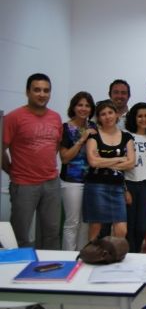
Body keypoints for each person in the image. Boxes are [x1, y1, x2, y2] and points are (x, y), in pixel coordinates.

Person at [3, 73, 63, 248]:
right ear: (27, 92)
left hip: (51, 183)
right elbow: (1, 148)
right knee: (20, 235)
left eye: (46, 90)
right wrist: (10, 170)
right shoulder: (14, 117)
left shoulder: (55, 117)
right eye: (37, 90)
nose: (42, 94)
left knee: (52, 233)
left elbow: (55, 145)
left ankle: (49, 265)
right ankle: (19, 265)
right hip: (24, 184)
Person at [83, 100, 135, 241]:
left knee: (121, 230)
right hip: (96, 186)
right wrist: (119, 159)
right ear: (99, 118)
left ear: (116, 114)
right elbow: (93, 162)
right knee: (96, 228)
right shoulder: (93, 136)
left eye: (110, 112)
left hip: (117, 187)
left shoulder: (127, 137)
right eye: (103, 114)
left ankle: (114, 254)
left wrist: (103, 162)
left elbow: (130, 163)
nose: (107, 117)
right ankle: (93, 253)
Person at [59, 91, 97, 250]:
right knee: (72, 222)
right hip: (71, 182)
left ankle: (82, 257)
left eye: (87, 105)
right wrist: (82, 139)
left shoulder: (94, 127)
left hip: (91, 181)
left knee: (85, 223)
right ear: (73, 107)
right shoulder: (66, 128)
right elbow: (65, 158)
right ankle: (68, 258)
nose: (83, 108)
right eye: (80, 105)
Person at [124, 102, 146, 253]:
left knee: (142, 226)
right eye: (140, 116)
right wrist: (124, 189)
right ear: (134, 118)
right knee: (130, 225)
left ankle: (136, 251)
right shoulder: (126, 135)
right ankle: (130, 255)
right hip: (130, 183)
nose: (143, 119)